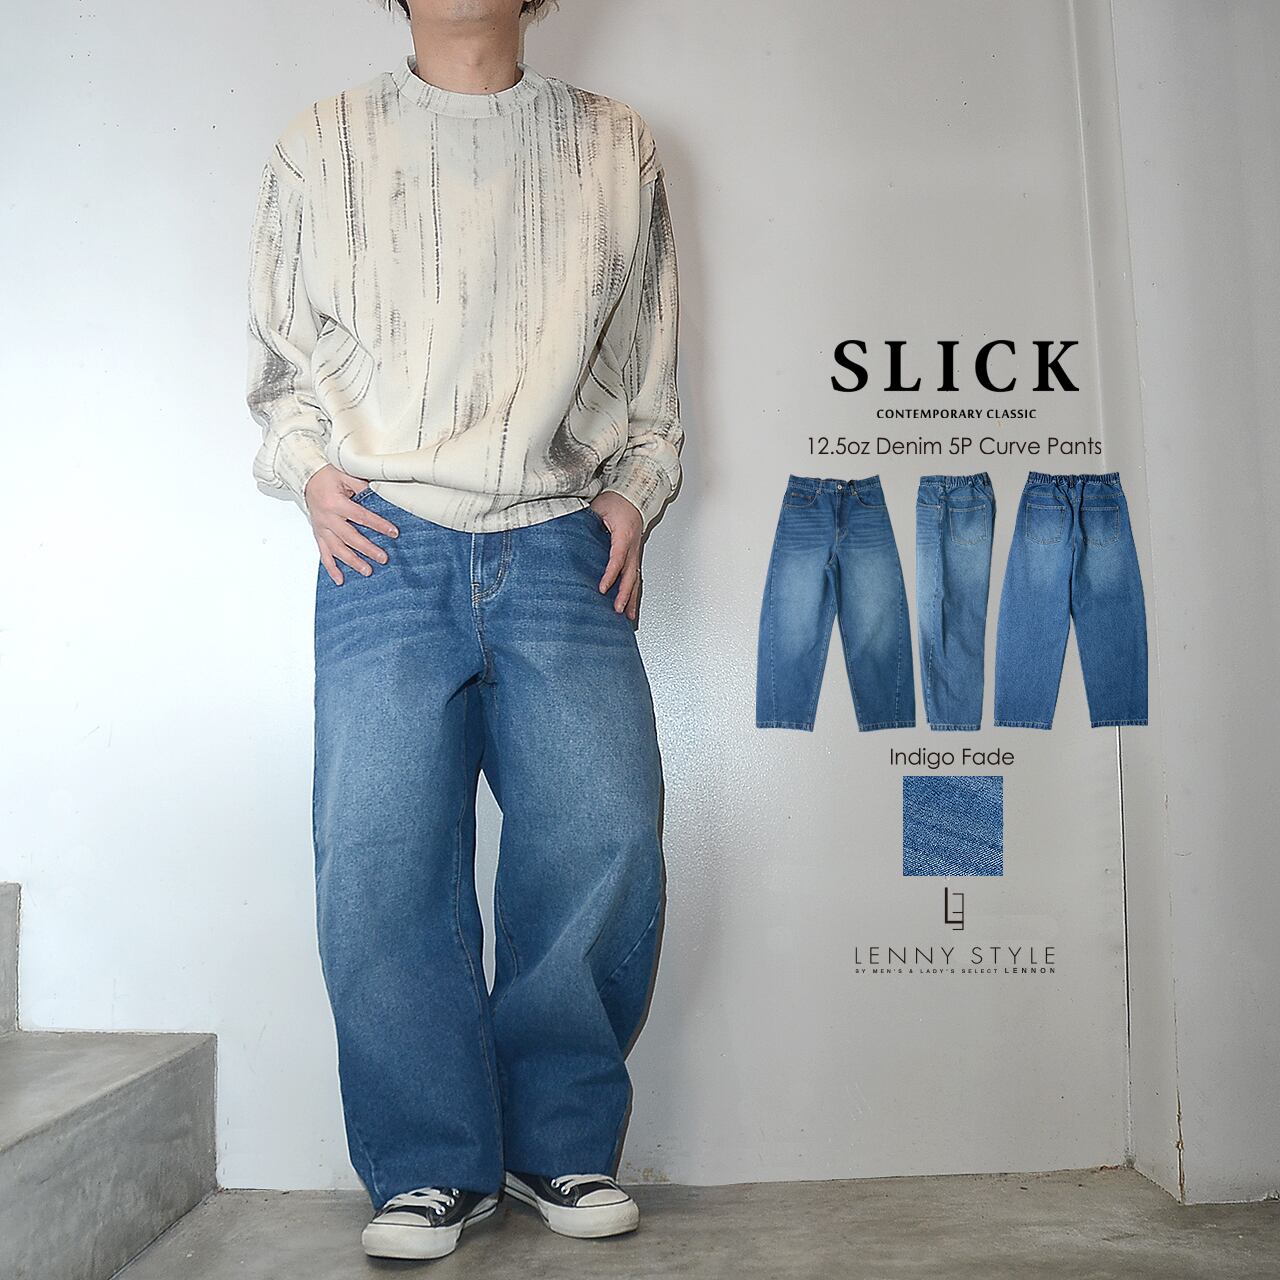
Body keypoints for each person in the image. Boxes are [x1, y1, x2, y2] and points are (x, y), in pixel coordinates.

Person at [244, 0, 682, 1261]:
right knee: (379, 854)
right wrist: (307, 471)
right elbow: (281, 361)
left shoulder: (613, 143)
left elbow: (646, 356)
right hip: (383, 543)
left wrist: (634, 489)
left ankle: (557, 1144)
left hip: (558, 539)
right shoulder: (320, 142)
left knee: (603, 833)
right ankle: (431, 1164)